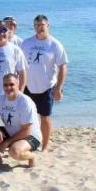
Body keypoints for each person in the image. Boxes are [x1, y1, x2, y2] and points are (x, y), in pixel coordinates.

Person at [21, 14, 69, 151]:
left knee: (45, 117)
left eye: (42, 25)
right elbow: (20, 64)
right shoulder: (27, 43)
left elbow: (63, 66)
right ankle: (29, 143)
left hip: (47, 87)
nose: (39, 28)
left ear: (47, 25)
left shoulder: (54, 44)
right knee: (27, 117)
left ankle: (45, 146)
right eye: (37, 25)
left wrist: (59, 88)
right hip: (28, 86)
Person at [0, 73, 42, 168]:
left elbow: (27, 131)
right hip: (10, 132)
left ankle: (32, 157)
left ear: (17, 84)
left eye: (11, 84)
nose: (8, 87)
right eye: (5, 85)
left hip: (30, 136)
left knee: (14, 152)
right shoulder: (0, 99)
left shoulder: (24, 102)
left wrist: (7, 142)